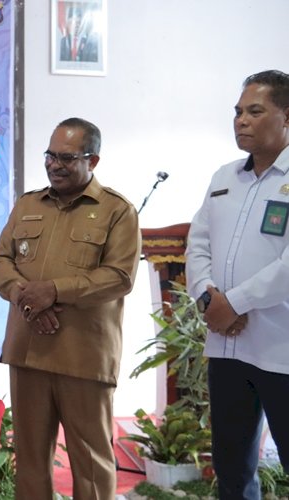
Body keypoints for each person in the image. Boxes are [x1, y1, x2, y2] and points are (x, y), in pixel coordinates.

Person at [0, 118, 140, 499]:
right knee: (31, 459)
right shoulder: (28, 205)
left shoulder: (117, 211)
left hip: (83, 357)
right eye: (50, 155)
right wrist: (30, 299)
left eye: (67, 158)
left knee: (90, 462)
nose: (54, 164)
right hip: (28, 351)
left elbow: (120, 277)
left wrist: (53, 291)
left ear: (94, 160)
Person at [186, 69, 289, 499]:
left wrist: (237, 303)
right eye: (238, 112)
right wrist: (208, 298)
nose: (241, 121)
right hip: (227, 348)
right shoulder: (224, 176)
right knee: (231, 469)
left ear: (286, 117)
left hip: (280, 350)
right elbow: (197, 242)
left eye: (254, 111)